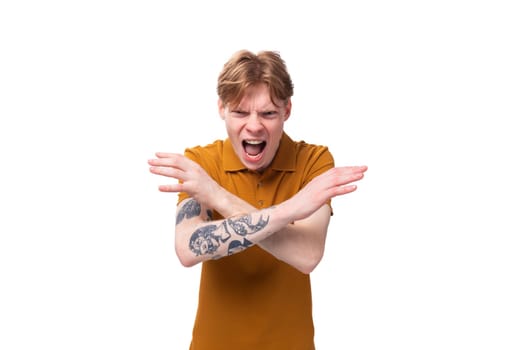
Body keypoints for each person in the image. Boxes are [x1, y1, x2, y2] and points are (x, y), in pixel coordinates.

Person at [148, 49, 368, 350]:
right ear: (221, 108)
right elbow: (188, 248)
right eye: (240, 112)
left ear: (287, 110)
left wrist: (216, 197)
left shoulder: (314, 161)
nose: (253, 126)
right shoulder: (201, 162)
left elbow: (306, 256)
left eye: (267, 113)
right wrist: (291, 209)